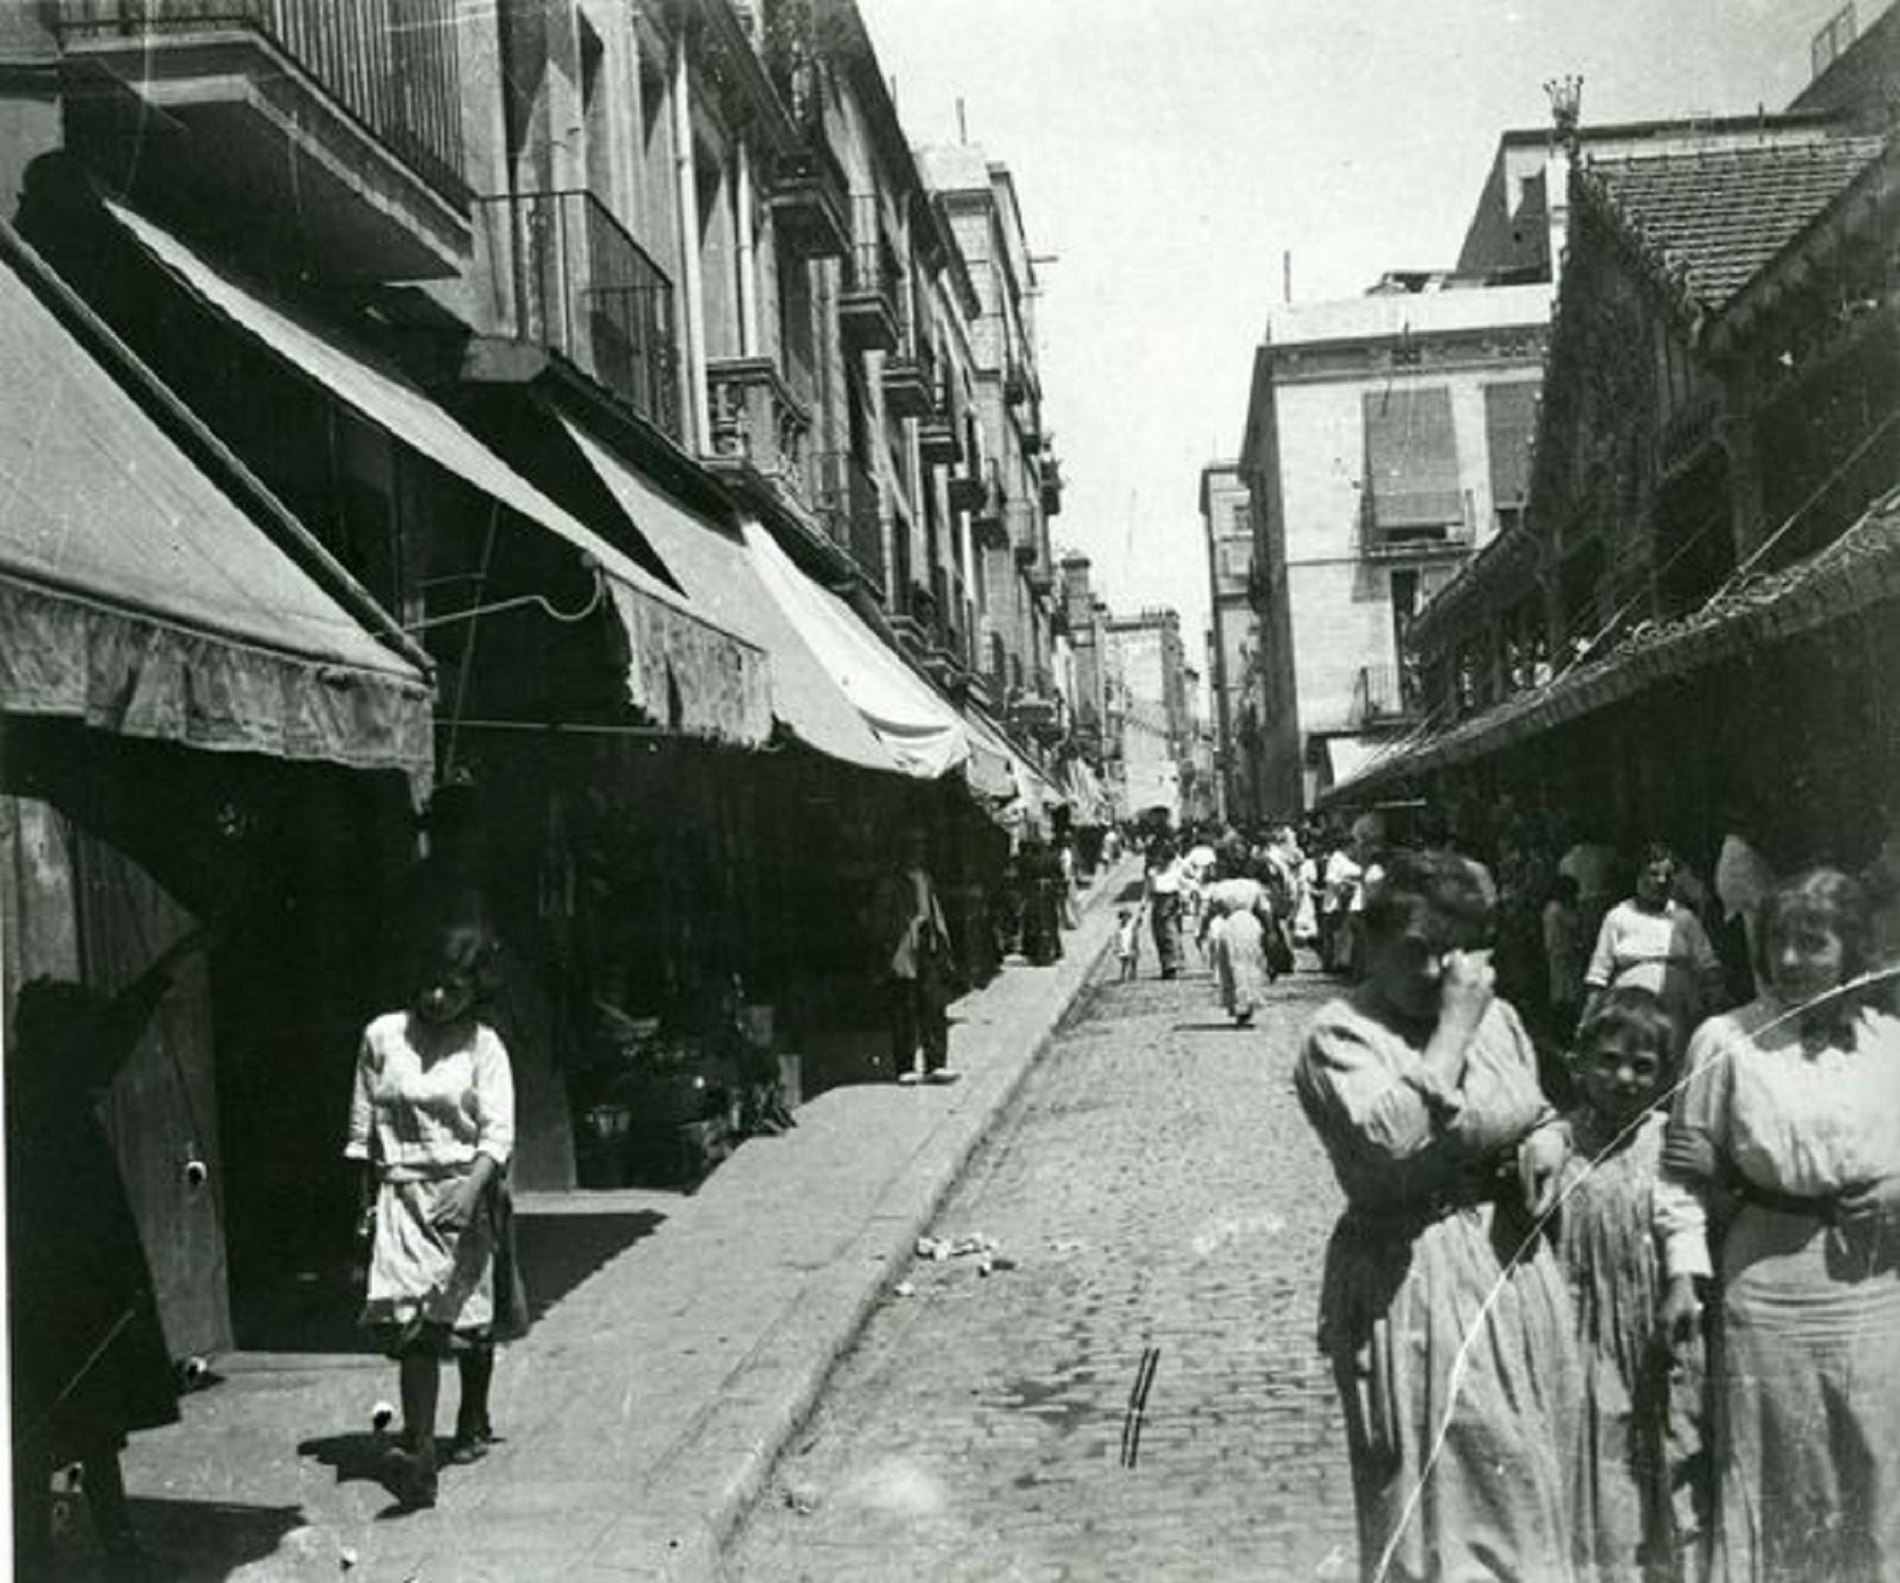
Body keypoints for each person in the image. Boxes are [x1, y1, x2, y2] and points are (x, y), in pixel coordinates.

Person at [1295, 851, 1580, 1582]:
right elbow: (1389, 1141)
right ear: (1368, 938)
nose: (1436, 973)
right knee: (1440, 1515)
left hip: (1511, 1270)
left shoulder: (1501, 1019)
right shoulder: (1340, 1034)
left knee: (1527, 1488)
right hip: (1413, 1280)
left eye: (1454, 951)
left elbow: (1537, 1107)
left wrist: (1547, 1139)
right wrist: (1452, 1027)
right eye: (1416, 951)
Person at [1656, 869, 1900, 1583]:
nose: (1789, 960)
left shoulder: (1891, 1042)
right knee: (1778, 1474)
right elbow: (1681, 1177)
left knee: (1880, 1465)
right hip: (1768, 1290)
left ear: (1849, 951)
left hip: (1879, 1287)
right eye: (1777, 943)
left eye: (1812, 942)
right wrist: (1681, 1272)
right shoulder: (1725, 1040)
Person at [9, 931, 210, 1578]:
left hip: (50, 1298)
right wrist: (166, 967)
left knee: (51, 1431)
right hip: (57, 1299)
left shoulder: (34, 1089)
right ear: (56, 1042)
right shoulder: (44, 1093)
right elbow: (114, 1030)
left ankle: (52, 1555)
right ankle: (76, 1554)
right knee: (65, 1428)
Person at [347, 922, 526, 1510]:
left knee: (465, 1324)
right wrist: (364, 1208)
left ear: (475, 991)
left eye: (453, 989)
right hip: (401, 1194)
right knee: (413, 1326)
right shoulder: (382, 1036)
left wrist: (470, 1193)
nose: (438, 1000)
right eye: (429, 986)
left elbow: (497, 1133)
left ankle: (472, 1413)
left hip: (464, 1192)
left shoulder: (484, 1045)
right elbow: (363, 1129)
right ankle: (422, 1453)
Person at [1557, 987, 1705, 1583]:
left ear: (1664, 1075)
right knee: (1598, 1444)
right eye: (1609, 1061)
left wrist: (1682, 1281)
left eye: (1643, 1067)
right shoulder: (1560, 1139)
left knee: (1667, 1441)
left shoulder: (1666, 1139)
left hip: (1653, 1320)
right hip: (1581, 1323)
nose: (1624, 1078)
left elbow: (1682, 1213)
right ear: (1580, 1065)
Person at [1583, 843, 1725, 1044]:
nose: (1661, 881)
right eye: (1653, 874)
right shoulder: (1618, 917)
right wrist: (1589, 1020)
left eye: (1668, 875)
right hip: (1631, 1012)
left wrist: (1713, 1002)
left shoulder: (1685, 919)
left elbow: (1708, 965)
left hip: (1680, 1012)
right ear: (1638, 877)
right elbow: (1598, 976)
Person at [868, 830, 958, 1081]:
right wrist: (889, 947)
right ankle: (905, 1066)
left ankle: (936, 1062)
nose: (918, 852)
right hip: (903, 952)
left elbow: (935, 912)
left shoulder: (926, 878)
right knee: (904, 1009)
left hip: (927, 949)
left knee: (933, 1005)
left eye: (921, 847)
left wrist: (941, 944)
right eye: (913, 847)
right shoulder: (891, 883)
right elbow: (880, 922)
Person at [1199, 867, 1273, 1026]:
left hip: (1230, 925)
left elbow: (1210, 912)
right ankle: (1248, 1003)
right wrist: (1270, 930)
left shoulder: (1220, 888)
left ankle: (1239, 1006)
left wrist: (1203, 930)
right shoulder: (1253, 886)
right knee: (1251, 964)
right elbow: (1265, 910)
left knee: (1233, 966)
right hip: (1250, 924)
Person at [1542, 873, 1586, 1038]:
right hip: (1563, 954)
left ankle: (1566, 1028)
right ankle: (1561, 1029)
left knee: (1567, 990)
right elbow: (1561, 933)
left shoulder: (1560, 908)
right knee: (1564, 991)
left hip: (1566, 954)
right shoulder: (1556, 910)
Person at [1144, 834, 1187, 979]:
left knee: (1168, 932)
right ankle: (1168, 964)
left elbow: (1185, 884)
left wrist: (1184, 899)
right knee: (1160, 934)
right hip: (1160, 901)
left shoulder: (1176, 868)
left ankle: (1172, 964)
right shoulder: (1153, 871)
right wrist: (1142, 907)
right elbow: (1148, 891)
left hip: (1170, 900)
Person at [1115, 905, 1143, 982]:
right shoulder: (1119, 928)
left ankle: (1133, 973)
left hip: (1132, 945)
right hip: (1123, 947)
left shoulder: (1131, 926)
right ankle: (1123, 975)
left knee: (1133, 960)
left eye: (1126, 916)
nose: (1125, 919)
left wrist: (1140, 915)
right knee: (1124, 962)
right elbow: (1118, 937)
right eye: (1123, 917)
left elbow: (1138, 924)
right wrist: (1117, 947)